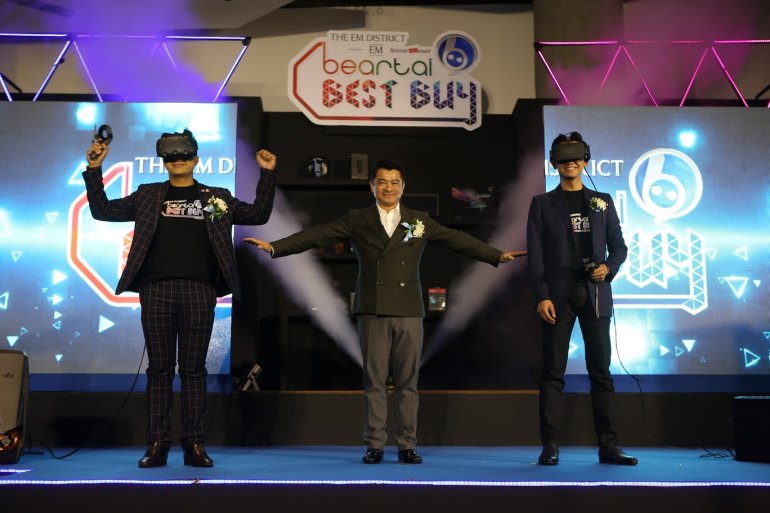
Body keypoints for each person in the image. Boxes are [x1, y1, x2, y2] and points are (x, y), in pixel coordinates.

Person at [244, 160, 525, 464]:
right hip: (372, 310)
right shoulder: (357, 218)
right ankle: (375, 444)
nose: (388, 188)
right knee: (374, 383)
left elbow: (457, 239)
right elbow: (318, 234)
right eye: (382, 182)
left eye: (394, 182)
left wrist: (496, 255)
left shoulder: (419, 220)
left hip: (409, 310)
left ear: (402, 187)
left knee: (408, 384)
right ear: (372, 186)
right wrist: (275, 247)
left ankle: (407, 445)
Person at [84, 129, 277, 468]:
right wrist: (95, 169)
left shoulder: (215, 197)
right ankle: (157, 443)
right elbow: (103, 210)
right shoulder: (148, 194)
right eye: (171, 157)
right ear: (163, 161)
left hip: (199, 290)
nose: (178, 161)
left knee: (193, 370)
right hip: (156, 289)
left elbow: (258, 214)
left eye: (184, 155)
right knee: (159, 369)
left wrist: (268, 173)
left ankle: (194, 444)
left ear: (196, 159)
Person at [526, 131, 637, 466]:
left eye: (576, 156)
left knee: (601, 371)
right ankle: (550, 446)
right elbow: (536, 255)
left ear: (585, 160)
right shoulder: (542, 203)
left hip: (596, 293)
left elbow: (619, 247)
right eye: (563, 157)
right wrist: (542, 296)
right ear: (554, 163)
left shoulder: (602, 200)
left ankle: (609, 445)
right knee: (552, 372)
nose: (570, 162)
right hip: (557, 296)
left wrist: (608, 268)